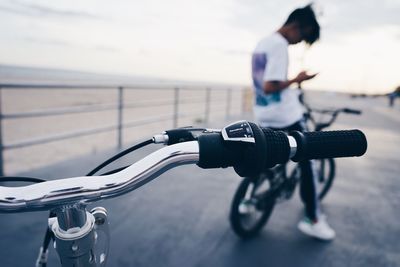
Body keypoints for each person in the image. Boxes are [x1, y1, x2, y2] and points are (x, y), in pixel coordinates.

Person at [252, 5, 335, 241]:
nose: (299, 42)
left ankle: (248, 198)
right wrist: (298, 79)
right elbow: (271, 85)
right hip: (285, 116)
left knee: (264, 157)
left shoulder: (263, 42)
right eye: (303, 37)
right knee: (308, 161)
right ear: (298, 27)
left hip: (264, 113)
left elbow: (263, 86)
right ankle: (313, 219)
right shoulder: (279, 45)